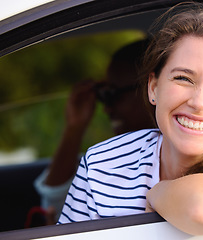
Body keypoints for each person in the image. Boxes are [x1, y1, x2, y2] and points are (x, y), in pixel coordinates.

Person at [58, 5, 203, 236]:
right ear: (154, 88)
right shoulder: (101, 163)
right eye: (183, 78)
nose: (199, 103)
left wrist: (157, 194)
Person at [32, 38, 153, 225]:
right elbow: (55, 204)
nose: (106, 108)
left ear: (151, 89)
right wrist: (75, 127)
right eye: (102, 95)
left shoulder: (176, 158)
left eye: (111, 94)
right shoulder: (105, 159)